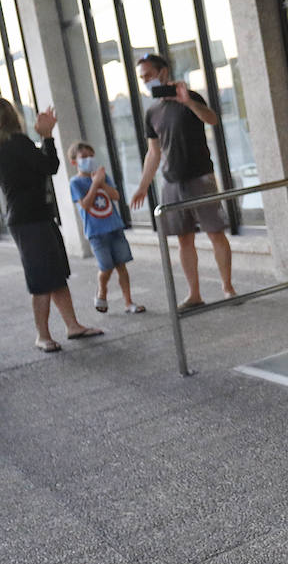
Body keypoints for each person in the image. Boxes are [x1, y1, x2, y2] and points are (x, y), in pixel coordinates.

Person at [130, 53, 234, 309]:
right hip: (172, 181)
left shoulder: (190, 98)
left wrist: (188, 102)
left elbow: (212, 119)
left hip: (201, 177)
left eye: (149, 75)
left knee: (215, 232)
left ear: (163, 72)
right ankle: (194, 294)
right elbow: (154, 152)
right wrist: (143, 185)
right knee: (183, 239)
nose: (146, 81)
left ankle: (228, 288)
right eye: (142, 78)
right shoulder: (152, 111)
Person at [0, 99, 103, 352]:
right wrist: (47, 136)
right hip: (31, 219)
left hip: (31, 217)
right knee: (42, 278)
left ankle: (72, 326)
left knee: (54, 274)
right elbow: (50, 166)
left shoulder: (10, 145)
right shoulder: (15, 143)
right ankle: (42, 335)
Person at [68, 141, 144, 315]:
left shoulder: (102, 176)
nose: (88, 160)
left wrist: (101, 182)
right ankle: (101, 291)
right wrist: (95, 184)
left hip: (114, 227)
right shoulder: (76, 183)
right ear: (74, 162)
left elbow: (115, 195)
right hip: (96, 232)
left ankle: (128, 302)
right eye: (83, 157)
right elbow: (85, 205)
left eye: (90, 156)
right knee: (106, 267)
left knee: (121, 265)